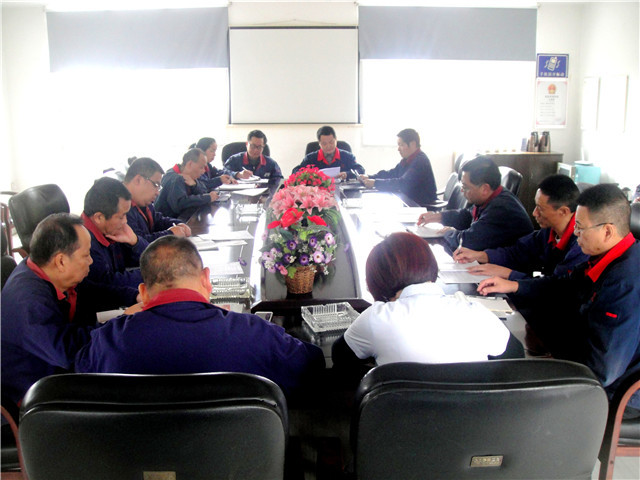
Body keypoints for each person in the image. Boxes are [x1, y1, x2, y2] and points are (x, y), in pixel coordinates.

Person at [75, 236, 325, 398]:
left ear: (143, 293)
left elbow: (83, 378)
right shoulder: (254, 333)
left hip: (138, 459)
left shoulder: (108, 341)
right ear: (206, 279)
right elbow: (311, 365)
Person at [477, 184, 640, 409]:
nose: (575, 234)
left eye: (580, 227)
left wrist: (550, 367)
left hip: (619, 394)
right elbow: (563, 284)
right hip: (592, 367)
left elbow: (602, 371)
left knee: (509, 393)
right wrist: (514, 285)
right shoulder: (607, 257)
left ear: (607, 231)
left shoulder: (624, 283)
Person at [331, 232, 514, 378]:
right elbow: (513, 356)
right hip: (474, 412)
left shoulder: (376, 318)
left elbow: (340, 357)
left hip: (400, 412)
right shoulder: (476, 313)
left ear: (378, 279)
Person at [1, 213, 138, 403]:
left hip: (60, 369)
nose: (91, 261)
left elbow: (90, 290)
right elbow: (72, 352)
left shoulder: (44, 268)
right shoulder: (28, 302)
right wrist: (121, 322)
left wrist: (134, 296)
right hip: (39, 394)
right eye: (86, 255)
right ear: (61, 261)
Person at [454, 174, 588, 280]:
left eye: (540, 209)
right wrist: (480, 255)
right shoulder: (549, 232)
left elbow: (555, 286)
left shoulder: (581, 245)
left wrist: (508, 274)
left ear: (563, 211)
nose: (534, 213)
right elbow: (518, 252)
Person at [418, 156, 533, 253]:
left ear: (484, 189)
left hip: (511, 268)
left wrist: (449, 233)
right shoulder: (492, 197)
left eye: (465, 187)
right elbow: (468, 215)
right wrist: (439, 216)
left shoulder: (501, 209)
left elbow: (468, 242)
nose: (462, 190)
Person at [82, 177, 145, 290]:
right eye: (121, 217)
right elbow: (107, 284)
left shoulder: (111, 230)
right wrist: (152, 272)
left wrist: (135, 242)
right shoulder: (83, 243)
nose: (125, 221)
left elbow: (145, 259)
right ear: (99, 217)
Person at [123, 157, 192, 246]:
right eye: (156, 185)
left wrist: (179, 224)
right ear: (138, 180)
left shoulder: (143, 201)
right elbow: (137, 243)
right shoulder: (121, 207)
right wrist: (170, 234)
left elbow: (158, 220)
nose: (157, 192)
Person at [360, 128, 437, 206]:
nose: (398, 149)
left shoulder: (420, 161)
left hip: (421, 206)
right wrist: (370, 177)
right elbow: (392, 173)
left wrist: (376, 183)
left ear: (413, 144)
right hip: (409, 201)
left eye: (401, 145)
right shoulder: (408, 159)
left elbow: (403, 184)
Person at [155, 148, 219, 219]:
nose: (204, 171)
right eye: (201, 167)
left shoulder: (190, 176)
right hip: (170, 221)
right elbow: (180, 204)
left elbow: (204, 190)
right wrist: (207, 198)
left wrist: (195, 185)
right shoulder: (175, 178)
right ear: (190, 164)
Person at [292, 125, 364, 181]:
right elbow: (295, 171)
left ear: (336, 140)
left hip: (342, 190)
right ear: (319, 143)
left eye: (331, 142)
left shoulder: (347, 156)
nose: (328, 146)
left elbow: (360, 170)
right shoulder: (310, 158)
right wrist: (310, 175)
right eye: (324, 143)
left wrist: (347, 174)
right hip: (318, 191)